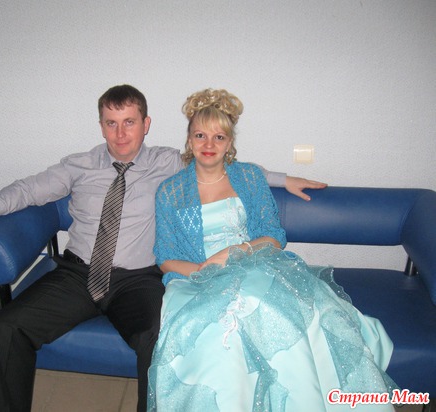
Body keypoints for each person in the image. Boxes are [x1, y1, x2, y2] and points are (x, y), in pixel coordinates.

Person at [0, 84, 327, 412]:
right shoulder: (78, 165)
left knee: (156, 337)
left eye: (129, 122)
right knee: (7, 325)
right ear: (101, 125)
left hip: (137, 280)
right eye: (111, 123)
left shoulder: (167, 163)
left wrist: (285, 179)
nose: (120, 133)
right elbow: (29, 189)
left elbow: (222, 165)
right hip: (77, 274)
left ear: (145, 124)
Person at [147, 89, 397, 411]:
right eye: (200, 135)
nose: (209, 145)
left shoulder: (249, 177)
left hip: (254, 264)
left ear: (229, 142)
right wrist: (202, 271)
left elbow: (274, 235)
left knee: (267, 308)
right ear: (189, 139)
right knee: (216, 332)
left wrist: (236, 251)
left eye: (219, 137)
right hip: (195, 279)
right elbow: (165, 257)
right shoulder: (170, 191)